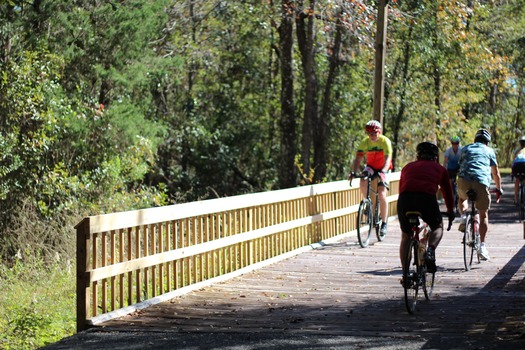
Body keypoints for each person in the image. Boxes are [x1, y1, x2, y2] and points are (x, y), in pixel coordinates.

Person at [397, 142, 455, 274]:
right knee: (437, 226)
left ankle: (405, 274)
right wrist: (451, 211)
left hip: (405, 199)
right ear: (435, 157)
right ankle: (430, 250)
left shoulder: (407, 167)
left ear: (418, 156)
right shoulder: (440, 169)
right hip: (426, 199)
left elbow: (402, 189)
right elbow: (447, 193)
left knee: (406, 236)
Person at [457, 129, 502, 261]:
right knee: (483, 214)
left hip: (464, 181)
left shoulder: (465, 148)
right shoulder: (489, 151)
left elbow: (461, 166)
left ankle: (464, 216)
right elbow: (496, 173)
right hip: (481, 182)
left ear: (475, 140)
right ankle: (482, 246)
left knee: (462, 197)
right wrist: (499, 189)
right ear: (487, 142)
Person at [348, 120, 392, 237]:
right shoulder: (365, 142)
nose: (371, 136)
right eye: (369, 133)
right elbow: (358, 159)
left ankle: (384, 222)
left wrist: (383, 171)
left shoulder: (385, 141)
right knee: (363, 178)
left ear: (379, 132)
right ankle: (367, 202)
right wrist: (354, 172)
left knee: (382, 194)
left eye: (374, 133)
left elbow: (388, 159)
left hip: (384, 167)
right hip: (371, 166)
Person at [511, 136, 525, 204]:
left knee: (517, 180)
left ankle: (515, 199)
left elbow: (513, 162)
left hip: (516, 166)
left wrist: (512, 172)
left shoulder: (517, 151)